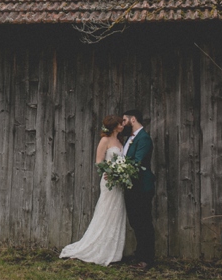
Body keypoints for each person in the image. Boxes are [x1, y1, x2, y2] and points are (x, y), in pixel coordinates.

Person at [59, 115, 127, 266]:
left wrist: (122, 173)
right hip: (109, 181)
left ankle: (113, 252)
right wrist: (110, 172)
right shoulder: (105, 141)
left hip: (119, 184)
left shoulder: (120, 141)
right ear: (114, 126)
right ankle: (94, 247)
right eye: (120, 123)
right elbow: (99, 163)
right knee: (106, 211)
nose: (123, 125)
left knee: (117, 213)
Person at [121, 109, 155, 270]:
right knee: (135, 222)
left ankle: (146, 259)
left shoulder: (144, 139)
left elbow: (137, 162)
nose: (122, 124)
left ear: (133, 119)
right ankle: (139, 254)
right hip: (131, 187)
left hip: (142, 187)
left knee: (144, 222)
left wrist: (118, 170)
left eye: (124, 120)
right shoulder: (129, 138)